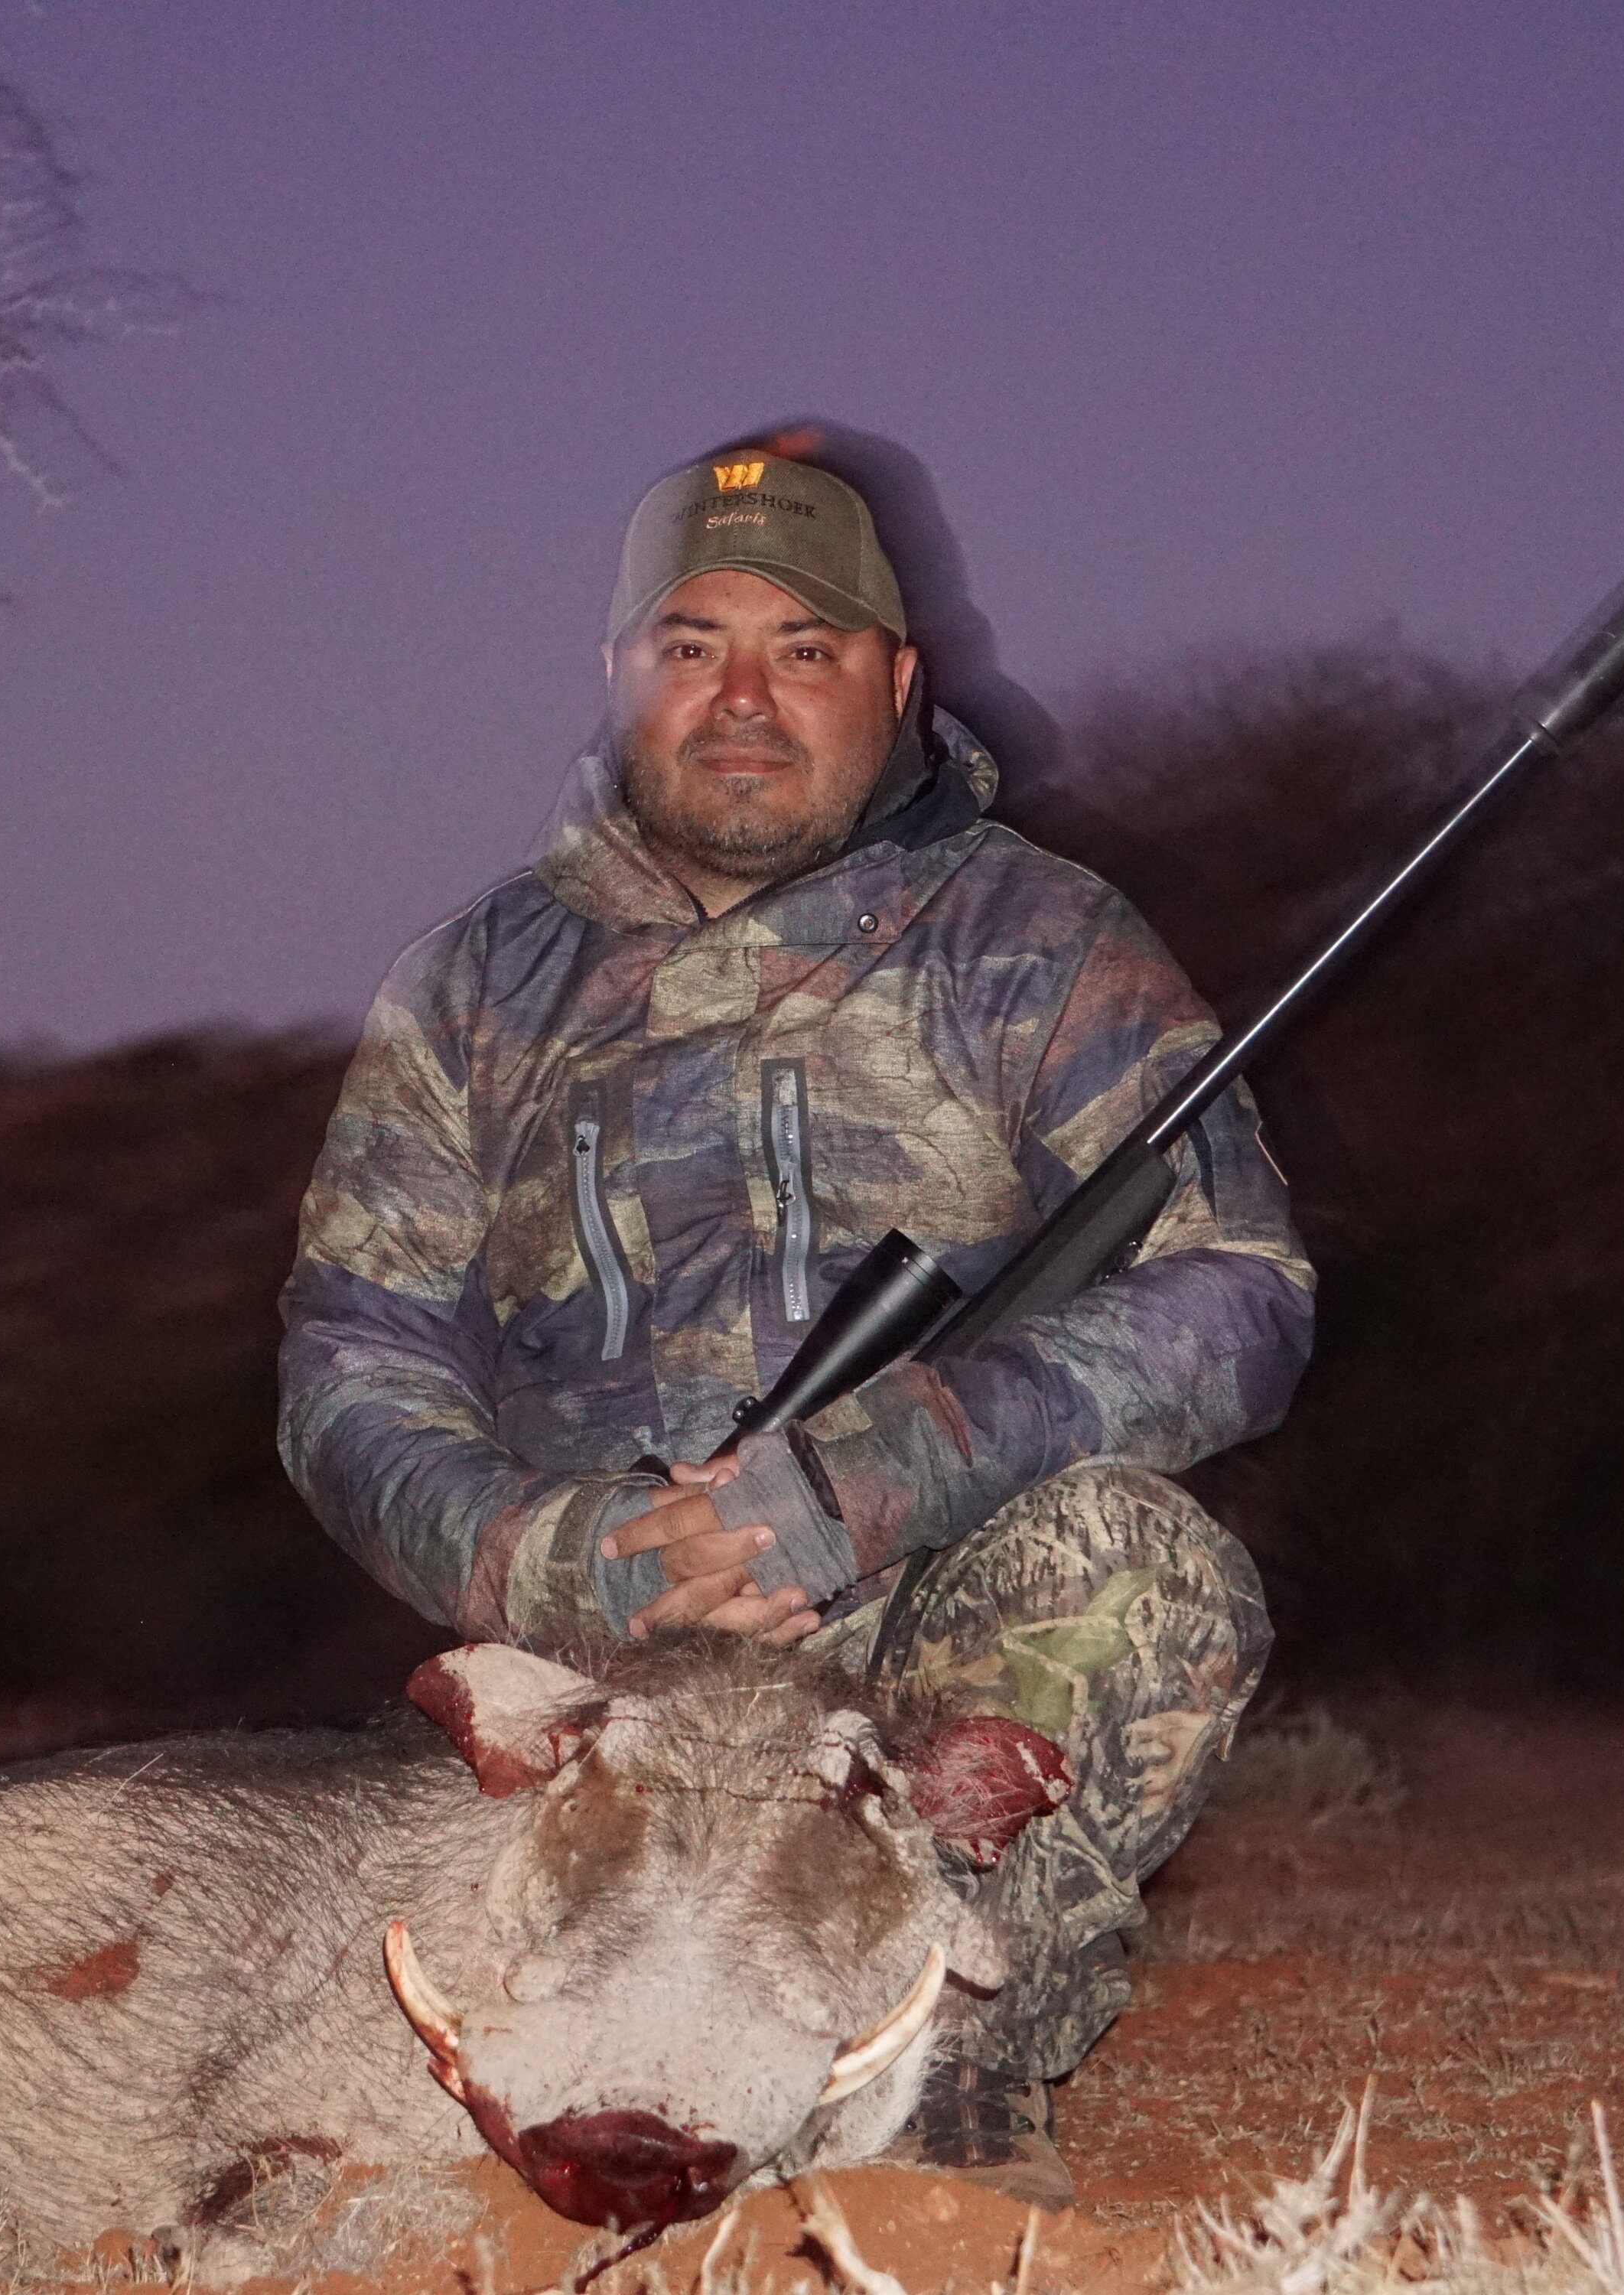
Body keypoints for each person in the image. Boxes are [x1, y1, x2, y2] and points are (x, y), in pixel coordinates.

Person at [277, 440, 1314, 2204]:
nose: (741, 698)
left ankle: (952, 2070)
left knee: (1142, 1563)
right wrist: (553, 1552)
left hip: (906, 1641)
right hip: (601, 1651)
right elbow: (349, 1374)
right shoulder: (464, 986)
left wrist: (877, 1474)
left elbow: (1244, 1291)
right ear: (620, 676)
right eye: (690, 645)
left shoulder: (1038, 941)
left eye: (806, 649)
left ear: (898, 683)